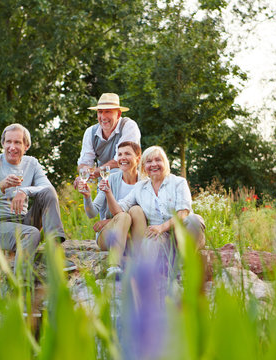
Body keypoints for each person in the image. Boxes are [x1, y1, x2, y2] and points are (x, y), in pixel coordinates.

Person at [0, 123, 67, 279]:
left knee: (47, 194)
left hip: (23, 220)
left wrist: (25, 191)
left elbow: (49, 189)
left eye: (17, 142)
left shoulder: (31, 163)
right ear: (3, 144)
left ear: (26, 146)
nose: (12, 147)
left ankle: (55, 254)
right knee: (31, 233)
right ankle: (21, 283)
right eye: (8, 142)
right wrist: (1, 186)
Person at [107, 145, 206, 252]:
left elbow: (183, 213)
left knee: (194, 220)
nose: (154, 164)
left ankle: (184, 266)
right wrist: (108, 192)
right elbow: (118, 210)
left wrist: (161, 227)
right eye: (149, 161)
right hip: (161, 237)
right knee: (149, 244)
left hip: (183, 232)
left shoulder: (178, 182)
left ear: (165, 163)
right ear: (144, 167)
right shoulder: (139, 187)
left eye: (158, 160)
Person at [79, 141, 142, 277]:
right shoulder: (110, 179)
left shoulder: (145, 182)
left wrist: (107, 221)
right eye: (119, 154)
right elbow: (92, 213)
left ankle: (139, 262)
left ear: (138, 158)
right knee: (124, 217)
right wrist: (87, 197)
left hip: (133, 237)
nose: (122, 158)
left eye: (127, 154)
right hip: (109, 236)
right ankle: (114, 267)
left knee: (135, 211)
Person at [77, 93, 141, 181]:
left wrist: (95, 172)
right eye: (100, 112)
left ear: (118, 114)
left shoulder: (128, 126)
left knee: (116, 171)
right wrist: (84, 173)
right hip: (104, 185)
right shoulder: (90, 132)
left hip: (129, 183)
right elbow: (84, 162)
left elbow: (120, 160)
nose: (103, 117)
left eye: (108, 111)